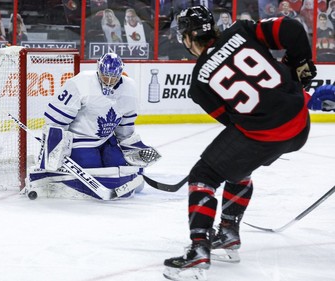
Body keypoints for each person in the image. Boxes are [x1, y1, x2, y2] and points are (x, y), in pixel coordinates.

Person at [163, 6, 316, 281]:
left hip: (267, 133)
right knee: (237, 163)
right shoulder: (241, 30)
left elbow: (233, 122)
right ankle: (228, 235)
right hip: (299, 124)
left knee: (205, 174)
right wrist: (299, 63)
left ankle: (199, 249)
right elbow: (291, 29)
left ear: (188, 38)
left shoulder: (199, 83)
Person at [25, 53, 160, 200]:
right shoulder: (80, 83)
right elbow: (56, 119)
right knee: (92, 169)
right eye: (105, 76)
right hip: (80, 140)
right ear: (98, 70)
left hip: (106, 139)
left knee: (118, 166)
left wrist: (130, 145)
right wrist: (55, 145)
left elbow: (125, 125)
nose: (109, 81)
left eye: (113, 77)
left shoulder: (130, 89)